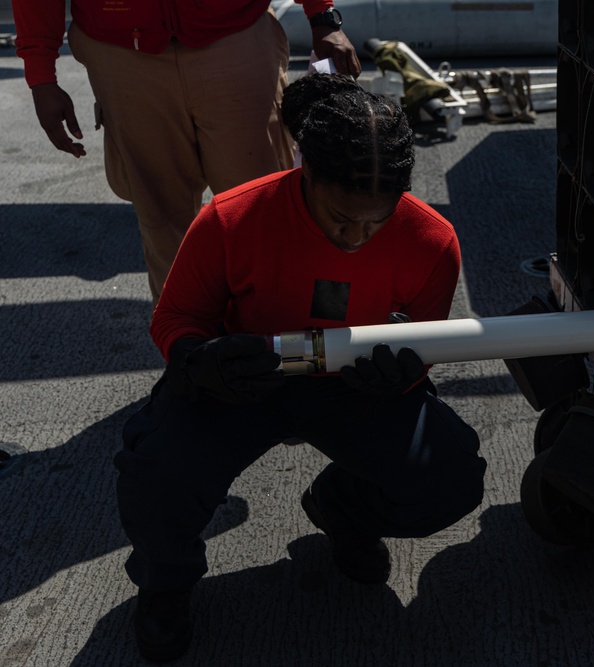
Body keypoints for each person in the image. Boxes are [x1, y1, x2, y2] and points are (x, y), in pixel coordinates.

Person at [112, 72, 487, 663]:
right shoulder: (231, 219)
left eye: (376, 221)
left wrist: (403, 377)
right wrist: (198, 360)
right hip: (242, 376)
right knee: (155, 470)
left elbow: (424, 340)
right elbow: (176, 316)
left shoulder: (431, 241)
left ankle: (343, 507)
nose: (357, 238)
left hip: (352, 387)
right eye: (341, 217)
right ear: (303, 172)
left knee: (450, 478)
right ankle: (165, 582)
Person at [11, 0, 362, 305]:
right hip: (122, 50)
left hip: (234, 33)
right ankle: (186, 355)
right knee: (162, 220)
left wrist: (322, 15)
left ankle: (277, 347)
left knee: (266, 211)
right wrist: (41, 76)